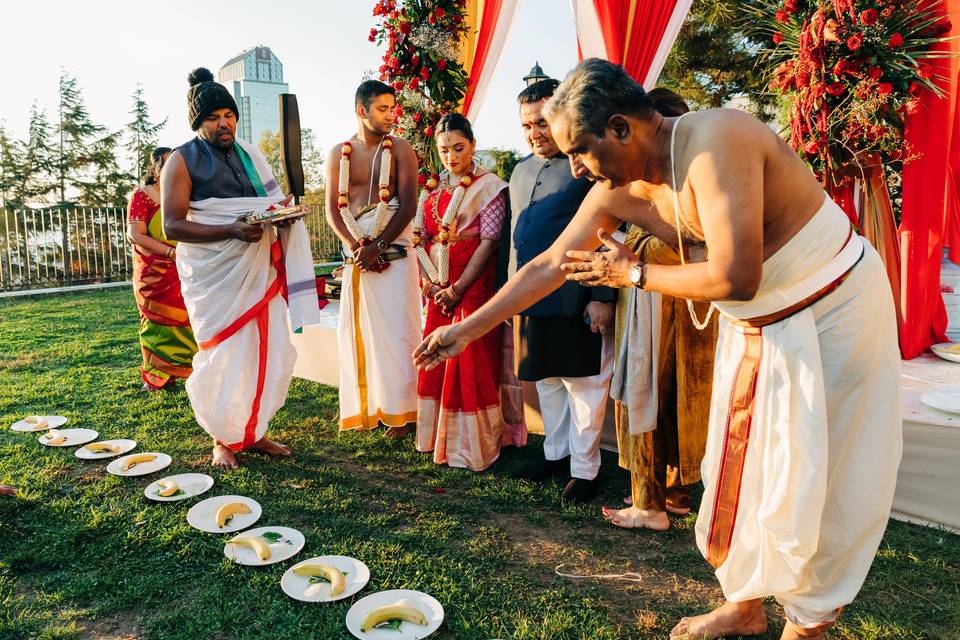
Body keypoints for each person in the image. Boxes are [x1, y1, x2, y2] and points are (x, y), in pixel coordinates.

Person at [415, 59, 901, 640]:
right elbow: (547, 266)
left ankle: (808, 621)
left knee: (824, 470)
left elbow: (735, 277)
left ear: (621, 128)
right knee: (742, 464)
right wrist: (465, 330)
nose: (573, 167)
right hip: (757, 326)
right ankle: (745, 603)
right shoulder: (612, 190)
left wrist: (634, 273)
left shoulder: (717, 139)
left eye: (580, 150)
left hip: (833, 307)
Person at [161, 67, 319, 470]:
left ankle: (255, 430)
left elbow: (271, 205)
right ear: (199, 123)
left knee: (262, 349)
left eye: (228, 115)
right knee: (224, 352)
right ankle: (222, 438)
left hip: (257, 266)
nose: (224, 123)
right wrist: (231, 229)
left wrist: (282, 217)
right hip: (215, 273)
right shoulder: (180, 161)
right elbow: (173, 225)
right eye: (213, 118)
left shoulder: (252, 156)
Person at [603, 88, 717, 531]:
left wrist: (638, 249)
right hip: (646, 307)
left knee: (680, 401)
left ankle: (672, 491)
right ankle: (651, 495)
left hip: (692, 314)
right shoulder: (633, 182)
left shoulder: (699, 179)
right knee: (650, 396)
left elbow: (696, 251)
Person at [509, 78, 616, 502]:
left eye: (541, 122)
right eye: (526, 125)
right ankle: (555, 456)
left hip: (577, 296)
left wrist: (601, 298)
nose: (534, 132)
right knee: (548, 380)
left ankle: (586, 471)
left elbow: (612, 232)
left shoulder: (587, 169)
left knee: (584, 386)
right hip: (529, 296)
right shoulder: (518, 171)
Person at [414, 113, 525, 471]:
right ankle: (437, 440)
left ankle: (475, 445)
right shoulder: (433, 188)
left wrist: (459, 287)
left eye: (458, 148)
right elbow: (421, 239)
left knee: (471, 357)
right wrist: (432, 283)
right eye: (444, 150)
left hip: (473, 285)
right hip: (437, 286)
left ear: (473, 145)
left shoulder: (489, 186)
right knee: (436, 355)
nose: (451, 157)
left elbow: (490, 243)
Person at [326, 80, 421, 439]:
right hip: (359, 256)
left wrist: (377, 246)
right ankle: (377, 408)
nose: (390, 115)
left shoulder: (401, 149)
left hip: (392, 255)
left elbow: (409, 204)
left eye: (392, 108)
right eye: (382, 109)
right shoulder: (339, 152)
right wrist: (356, 247)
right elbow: (333, 210)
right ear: (361, 110)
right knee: (362, 334)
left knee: (399, 334)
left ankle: (405, 413)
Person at [127, 146, 198, 391]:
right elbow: (135, 235)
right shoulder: (142, 195)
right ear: (154, 169)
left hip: (186, 266)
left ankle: (192, 368)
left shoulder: (185, 193)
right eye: (165, 165)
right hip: (154, 271)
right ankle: (156, 375)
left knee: (189, 317)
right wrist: (170, 253)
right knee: (155, 321)